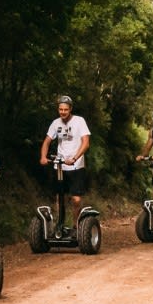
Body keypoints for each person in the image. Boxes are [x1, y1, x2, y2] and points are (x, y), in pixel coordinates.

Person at [39, 94, 91, 235]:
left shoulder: (79, 121)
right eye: (60, 109)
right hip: (60, 166)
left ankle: (76, 226)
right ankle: (59, 225)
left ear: (71, 109)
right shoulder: (56, 123)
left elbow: (86, 143)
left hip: (76, 166)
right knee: (59, 196)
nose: (62, 112)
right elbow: (47, 141)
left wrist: (74, 158)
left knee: (76, 199)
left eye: (65, 110)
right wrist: (43, 156)